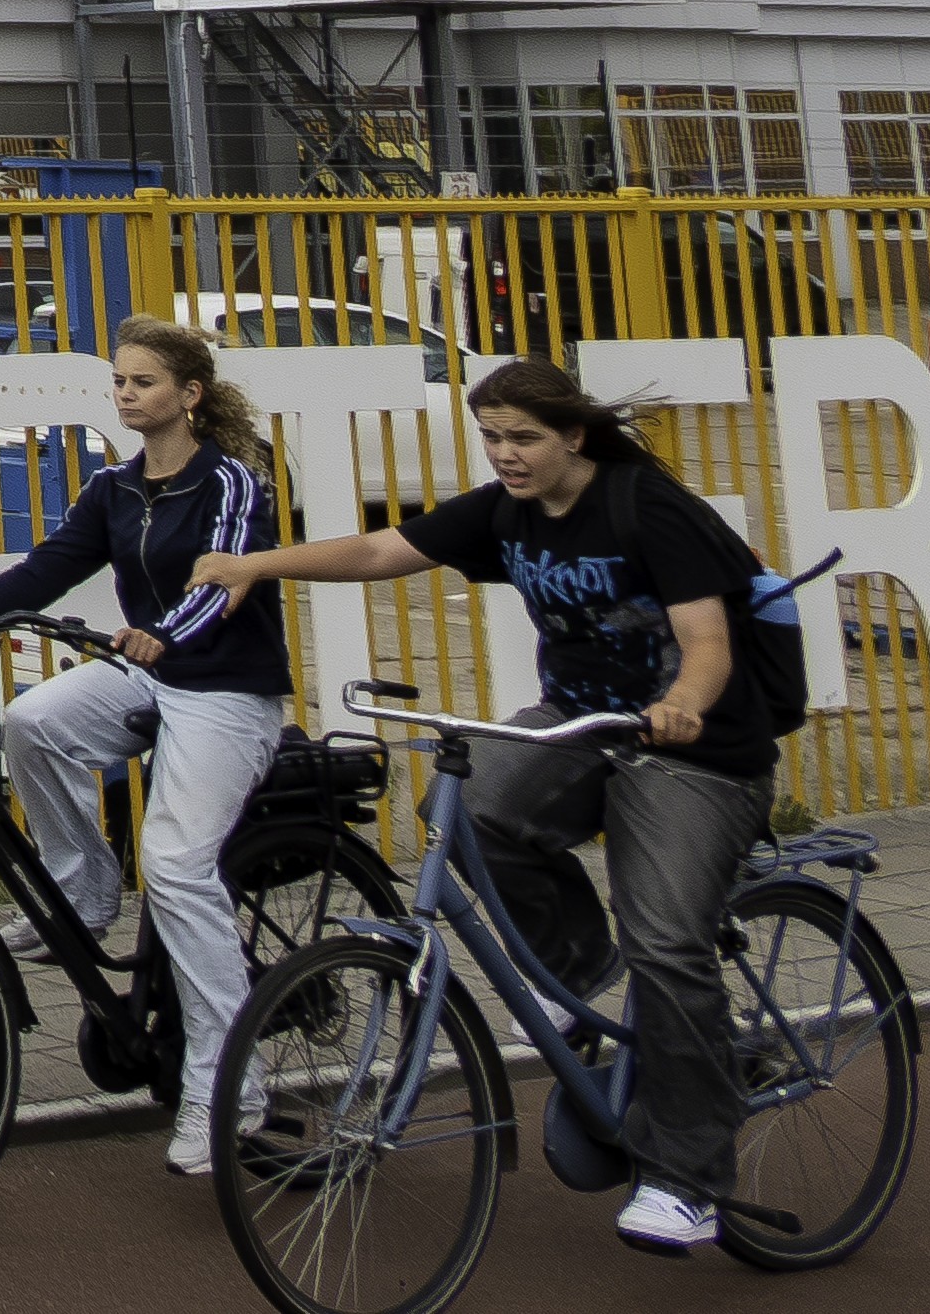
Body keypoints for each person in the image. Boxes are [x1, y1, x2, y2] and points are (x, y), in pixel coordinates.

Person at [197, 356, 783, 1258]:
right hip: (583, 723)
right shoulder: (506, 511)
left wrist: (684, 704)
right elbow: (381, 550)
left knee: (666, 940)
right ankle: (578, 978)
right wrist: (255, 563)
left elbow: (706, 641)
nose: (505, 455)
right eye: (492, 438)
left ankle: (689, 1179)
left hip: (696, 751)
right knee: (468, 809)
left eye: (524, 438)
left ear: (573, 436)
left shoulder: (650, 511)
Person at [0, 320, 288, 1175]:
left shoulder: (231, 483)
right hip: (152, 674)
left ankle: (229, 1087)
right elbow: (45, 569)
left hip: (227, 690)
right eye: (120, 382)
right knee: (32, 721)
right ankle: (84, 892)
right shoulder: (115, 490)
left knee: (174, 866)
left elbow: (226, 579)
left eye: (144, 383)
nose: (126, 395)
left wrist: (166, 635)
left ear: (188, 396)